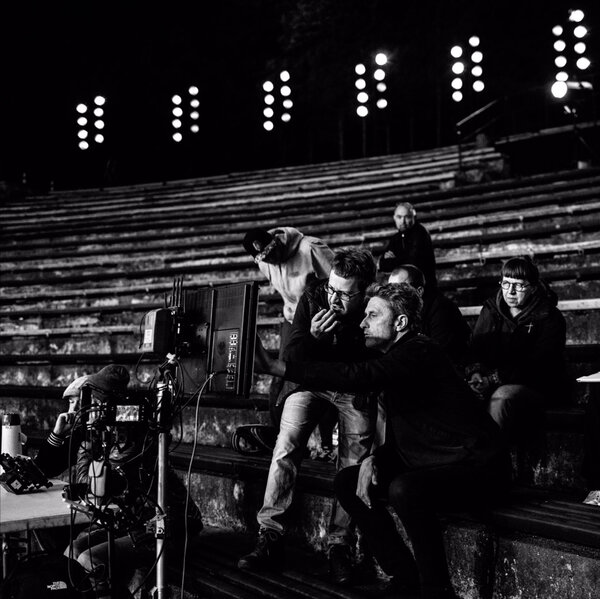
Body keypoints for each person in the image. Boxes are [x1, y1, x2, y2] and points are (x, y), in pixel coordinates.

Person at [254, 282, 511, 599]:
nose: (362, 323)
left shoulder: (420, 350)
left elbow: (357, 375)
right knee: (348, 481)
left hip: (481, 468)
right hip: (438, 460)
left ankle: (436, 590)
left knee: (405, 489)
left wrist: (277, 366)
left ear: (400, 323)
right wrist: (375, 459)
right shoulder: (399, 357)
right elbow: (415, 433)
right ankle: (405, 578)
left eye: (372, 315)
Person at [237, 247, 377, 584]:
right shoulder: (314, 294)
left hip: (352, 385)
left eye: (345, 294)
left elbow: (372, 364)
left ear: (366, 290)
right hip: (311, 381)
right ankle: (270, 535)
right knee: (286, 442)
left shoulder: (374, 308)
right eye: (333, 289)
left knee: (353, 459)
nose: (334, 300)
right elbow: (292, 355)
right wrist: (314, 338)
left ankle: (339, 546)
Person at [66, 364, 203, 599]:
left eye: (93, 402)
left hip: (167, 527)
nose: (86, 409)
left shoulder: (131, 438)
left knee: (89, 558)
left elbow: (93, 486)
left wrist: (86, 443)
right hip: (134, 520)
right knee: (74, 548)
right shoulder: (109, 433)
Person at [465, 256, 570, 445]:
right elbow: (475, 348)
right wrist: (476, 374)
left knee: (502, 398)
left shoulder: (549, 317)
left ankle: (491, 461)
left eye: (519, 285)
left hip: (536, 386)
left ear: (533, 287)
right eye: (506, 283)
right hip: (491, 381)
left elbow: (538, 364)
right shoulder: (491, 309)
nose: (510, 291)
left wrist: (493, 379)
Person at [243, 226, 335, 436]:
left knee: (322, 376)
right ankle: (277, 433)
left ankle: (326, 438)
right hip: (293, 319)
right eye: (265, 258)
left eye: (273, 253)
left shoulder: (311, 247)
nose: (272, 260)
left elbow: (339, 281)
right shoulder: (266, 264)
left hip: (321, 319)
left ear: (277, 242)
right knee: (281, 375)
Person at [389, 264, 470, 372]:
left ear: (419, 291)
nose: (392, 295)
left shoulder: (442, 310)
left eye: (399, 289)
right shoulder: (402, 310)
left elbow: (440, 356)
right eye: (389, 289)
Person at [33, 375, 89, 479]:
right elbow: (43, 469)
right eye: (71, 402)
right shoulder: (78, 435)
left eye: (80, 402)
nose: (74, 408)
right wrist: (57, 433)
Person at [377, 201, 437, 288]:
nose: (403, 221)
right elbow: (382, 264)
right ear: (394, 218)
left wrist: (394, 259)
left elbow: (413, 263)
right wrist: (400, 260)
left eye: (407, 217)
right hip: (404, 286)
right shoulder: (396, 237)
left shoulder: (421, 233)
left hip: (423, 288)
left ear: (414, 217)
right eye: (399, 217)